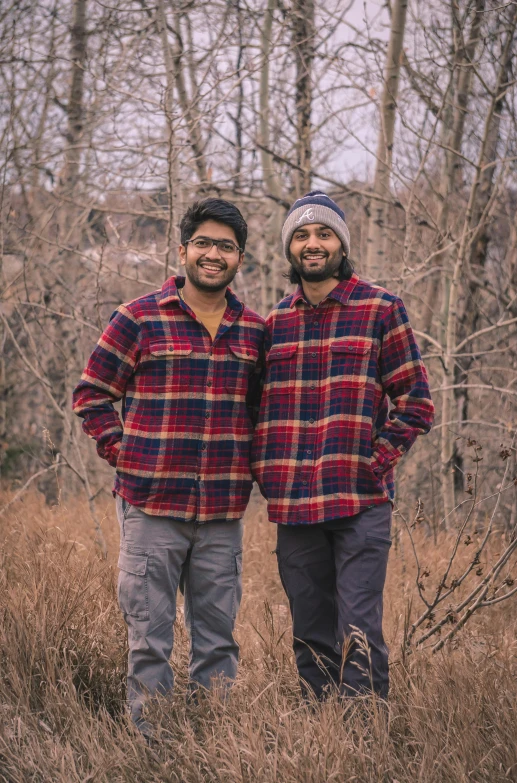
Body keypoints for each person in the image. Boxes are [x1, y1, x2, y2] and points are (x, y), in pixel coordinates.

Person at [73, 198, 264, 733]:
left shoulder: (253, 331)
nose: (213, 254)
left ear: (239, 259)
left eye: (225, 246)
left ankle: (213, 746)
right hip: (151, 507)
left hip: (222, 514)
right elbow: (91, 395)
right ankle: (150, 746)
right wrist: (127, 457)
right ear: (182, 250)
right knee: (150, 637)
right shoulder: (138, 318)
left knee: (218, 640)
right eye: (203, 243)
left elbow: (260, 413)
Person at [251, 191, 434, 701]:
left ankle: (364, 739)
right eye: (302, 235)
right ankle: (320, 735)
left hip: (359, 502)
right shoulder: (273, 325)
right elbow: (255, 409)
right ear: (290, 247)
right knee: (309, 632)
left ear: (341, 244)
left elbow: (416, 403)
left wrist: (373, 463)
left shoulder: (380, 309)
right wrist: (268, 470)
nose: (313, 244)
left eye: (324, 233)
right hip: (294, 505)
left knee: (358, 629)